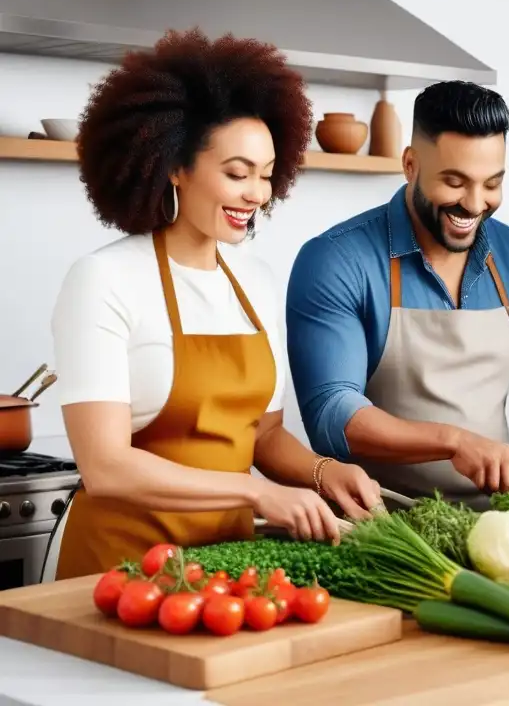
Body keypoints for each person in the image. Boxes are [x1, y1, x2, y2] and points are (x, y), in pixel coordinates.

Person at [51, 29, 383, 580]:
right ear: (174, 166)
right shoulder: (103, 279)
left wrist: (324, 472)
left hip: (226, 570)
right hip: (117, 570)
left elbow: (264, 435)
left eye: (266, 175)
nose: (257, 194)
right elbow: (105, 466)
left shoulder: (256, 281)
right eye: (236, 173)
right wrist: (255, 491)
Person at [286, 80, 509, 510]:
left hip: (499, 521)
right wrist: (453, 442)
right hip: (380, 523)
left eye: (492, 184)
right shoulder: (335, 260)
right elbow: (332, 414)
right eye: (455, 181)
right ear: (410, 165)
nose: (474, 203)